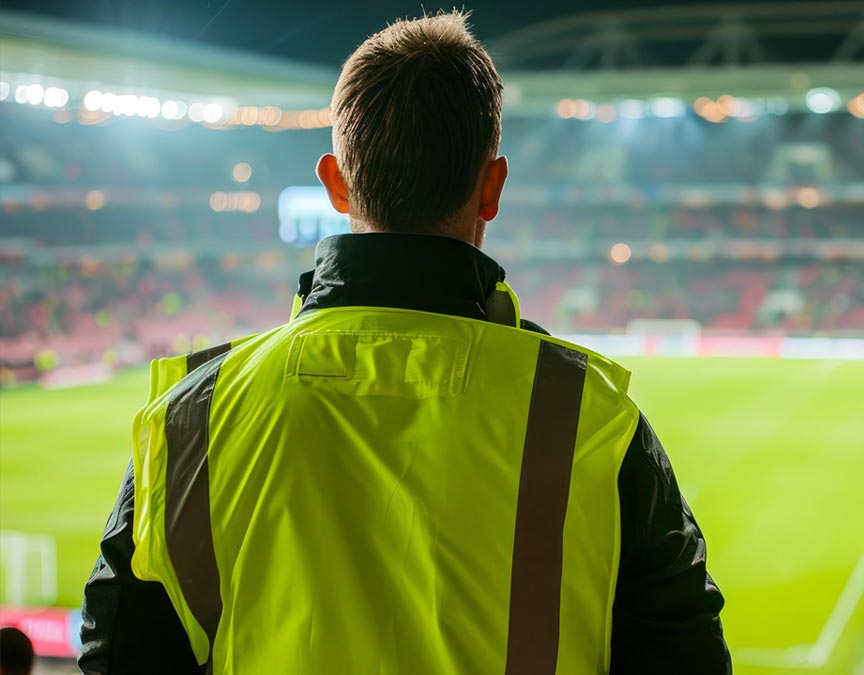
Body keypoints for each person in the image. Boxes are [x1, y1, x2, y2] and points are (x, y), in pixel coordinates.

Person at [78, 10, 730, 675]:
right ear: (491, 188)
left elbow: (117, 656)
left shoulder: (192, 419)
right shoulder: (590, 418)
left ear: (335, 183)